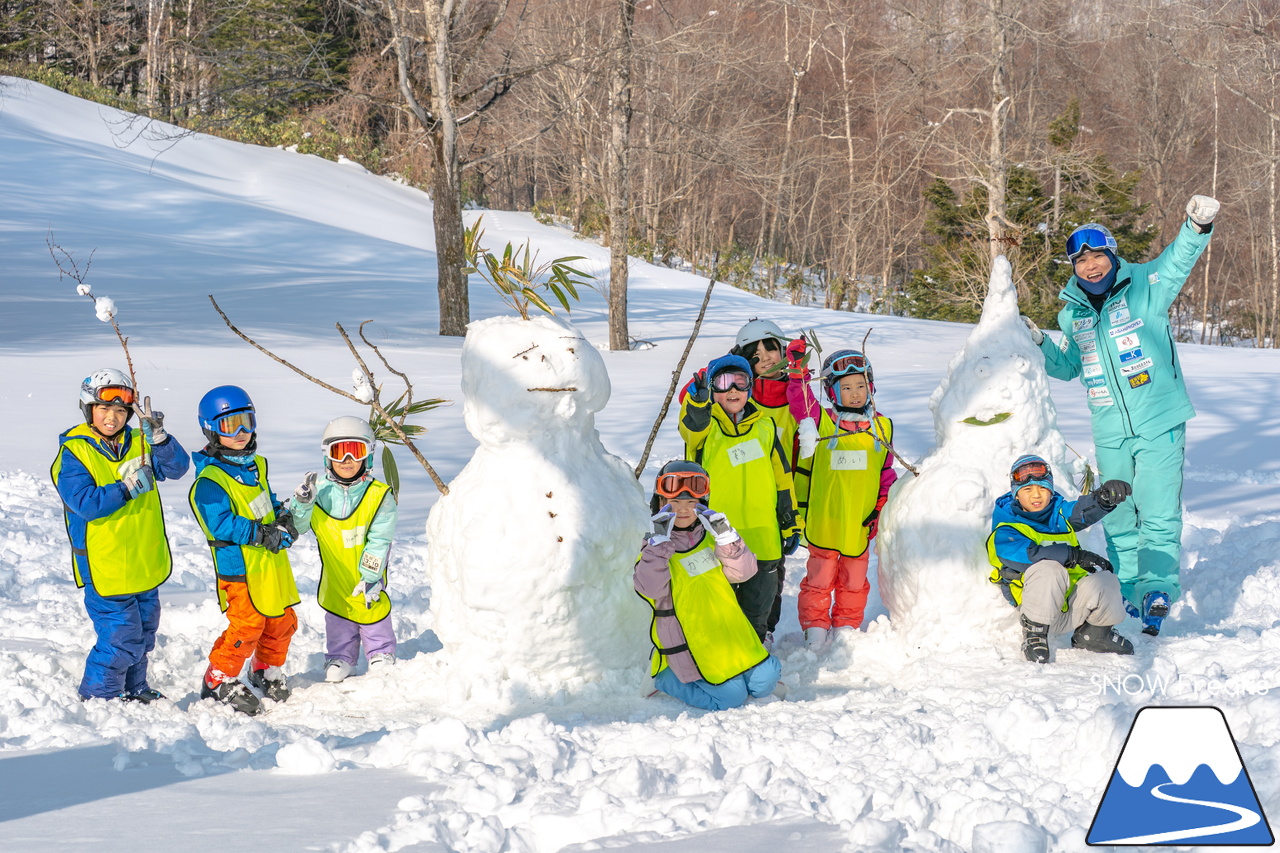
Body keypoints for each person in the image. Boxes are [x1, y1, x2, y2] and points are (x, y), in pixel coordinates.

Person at [1022, 195, 1219, 635]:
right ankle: (1126, 584)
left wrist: (1196, 226)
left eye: (1097, 257)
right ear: (1073, 267)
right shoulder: (1072, 313)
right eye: (1080, 261)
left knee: (1158, 507)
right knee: (1118, 509)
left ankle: (1156, 585)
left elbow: (1176, 261)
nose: (1090, 267)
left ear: (1112, 257)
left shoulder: (1147, 285)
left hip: (1159, 420)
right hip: (1110, 429)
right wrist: (1040, 344)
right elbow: (1070, 367)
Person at [51, 368, 189, 702]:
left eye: (120, 410)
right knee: (119, 638)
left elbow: (177, 469)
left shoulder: (139, 442)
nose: (112, 417)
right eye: (104, 409)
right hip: (105, 567)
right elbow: (85, 503)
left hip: (144, 561)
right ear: (88, 409)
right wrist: (125, 489)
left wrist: (160, 438)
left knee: (143, 634)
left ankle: (135, 687)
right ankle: (101, 699)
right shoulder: (74, 454)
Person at [634, 461, 783, 710]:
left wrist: (728, 539)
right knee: (730, 698)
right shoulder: (654, 550)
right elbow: (650, 589)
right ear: (659, 504)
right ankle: (663, 678)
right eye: (676, 503)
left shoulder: (712, 539)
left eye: (691, 504)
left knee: (766, 680)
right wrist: (658, 548)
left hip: (730, 634)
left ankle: (738, 675)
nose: (683, 510)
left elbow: (743, 573)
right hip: (692, 640)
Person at [189, 386, 300, 715]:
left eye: (245, 422)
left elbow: (263, 502)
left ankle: (264, 668)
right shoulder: (210, 480)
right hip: (240, 568)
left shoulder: (255, 467)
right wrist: (259, 533)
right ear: (211, 431)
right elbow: (219, 523)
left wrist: (282, 517)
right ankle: (218, 678)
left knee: (282, 620)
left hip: (270, 564)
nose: (240, 433)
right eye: (228, 426)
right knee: (248, 624)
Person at [678, 353, 802, 642]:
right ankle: (724, 650)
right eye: (722, 383)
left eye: (740, 381)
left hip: (763, 531)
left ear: (750, 387)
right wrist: (697, 403)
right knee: (721, 601)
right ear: (712, 390)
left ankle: (756, 645)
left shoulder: (766, 426)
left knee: (760, 600)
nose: (732, 389)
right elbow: (690, 427)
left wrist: (790, 518)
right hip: (718, 535)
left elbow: (782, 477)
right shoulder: (705, 427)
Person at [785, 346, 897, 648]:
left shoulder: (881, 428)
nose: (855, 393)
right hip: (825, 523)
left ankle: (847, 628)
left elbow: (886, 474)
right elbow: (802, 404)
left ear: (871, 387)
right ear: (832, 392)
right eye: (846, 387)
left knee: (854, 584)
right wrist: (798, 374)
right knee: (819, 581)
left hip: (858, 526)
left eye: (861, 385)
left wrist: (879, 508)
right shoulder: (821, 423)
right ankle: (815, 629)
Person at [987, 455, 1135, 663]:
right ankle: (1034, 636)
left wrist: (1103, 499)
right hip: (1036, 609)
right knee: (1048, 569)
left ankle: (1094, 634)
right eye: (1027, 490)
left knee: (1106, 579)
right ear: (1016, 495)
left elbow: (1081, 511)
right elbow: (1026, 556)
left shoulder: (1059, 513)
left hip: (1071, 604)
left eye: (1042, 489)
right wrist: (1073, 556)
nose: (1036, 495)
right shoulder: (1006, 527)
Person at [289, 416, 399, 683]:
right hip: (335, 574)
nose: (347, 459)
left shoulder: (380, 495)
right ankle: (340, 656)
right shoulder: (320, 492)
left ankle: (380, 652)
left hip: (366, 572)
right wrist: (302, 503)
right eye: (339, 451)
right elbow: (299, 526)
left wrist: (370, 575)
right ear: (328, 457)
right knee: (337, 611)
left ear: (368, 456)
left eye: (356, 451)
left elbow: (381, 539)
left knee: (371, 607)